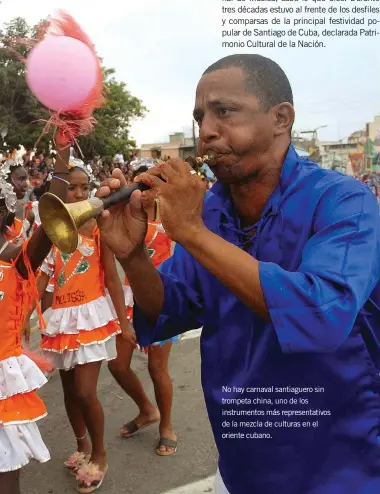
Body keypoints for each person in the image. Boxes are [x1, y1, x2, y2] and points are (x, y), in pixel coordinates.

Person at [98, 54, 380, 494]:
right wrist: (132, 256)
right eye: (199, 117)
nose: (206, 130)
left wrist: (190, 231)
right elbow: (170, 308)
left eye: (224, 111)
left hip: (342, 465)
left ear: (281, 118)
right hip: (242, 462)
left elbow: (320, 314)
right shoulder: (212, 211)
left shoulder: (345, 201)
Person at [35, 158, 130, 493]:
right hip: (60, 320)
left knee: (85, 391)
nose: (77, 193)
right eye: (71, 187)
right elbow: (44, 282)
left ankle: (100, 454)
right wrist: (31, 321)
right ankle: (82, 446)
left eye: (83, 187)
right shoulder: (51, 232)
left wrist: (124, 323)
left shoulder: (99, 229)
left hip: (90, 317)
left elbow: (114, 282)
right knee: (68, 391)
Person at [0, 136, 69, 494]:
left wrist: (62, 156)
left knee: (4, 476)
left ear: (3, 211)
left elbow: (53, 218)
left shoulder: (17, 260)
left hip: (2, 383)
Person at [108, 164, 178, 456]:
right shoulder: (124, 219)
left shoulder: (170, 220)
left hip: (159, 299)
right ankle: (147, 410)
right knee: (117, 364)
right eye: (140, 187)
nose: (145, 193)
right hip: (126, 298)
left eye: (152, 187)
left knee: (156, 367)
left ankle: (167, 426)